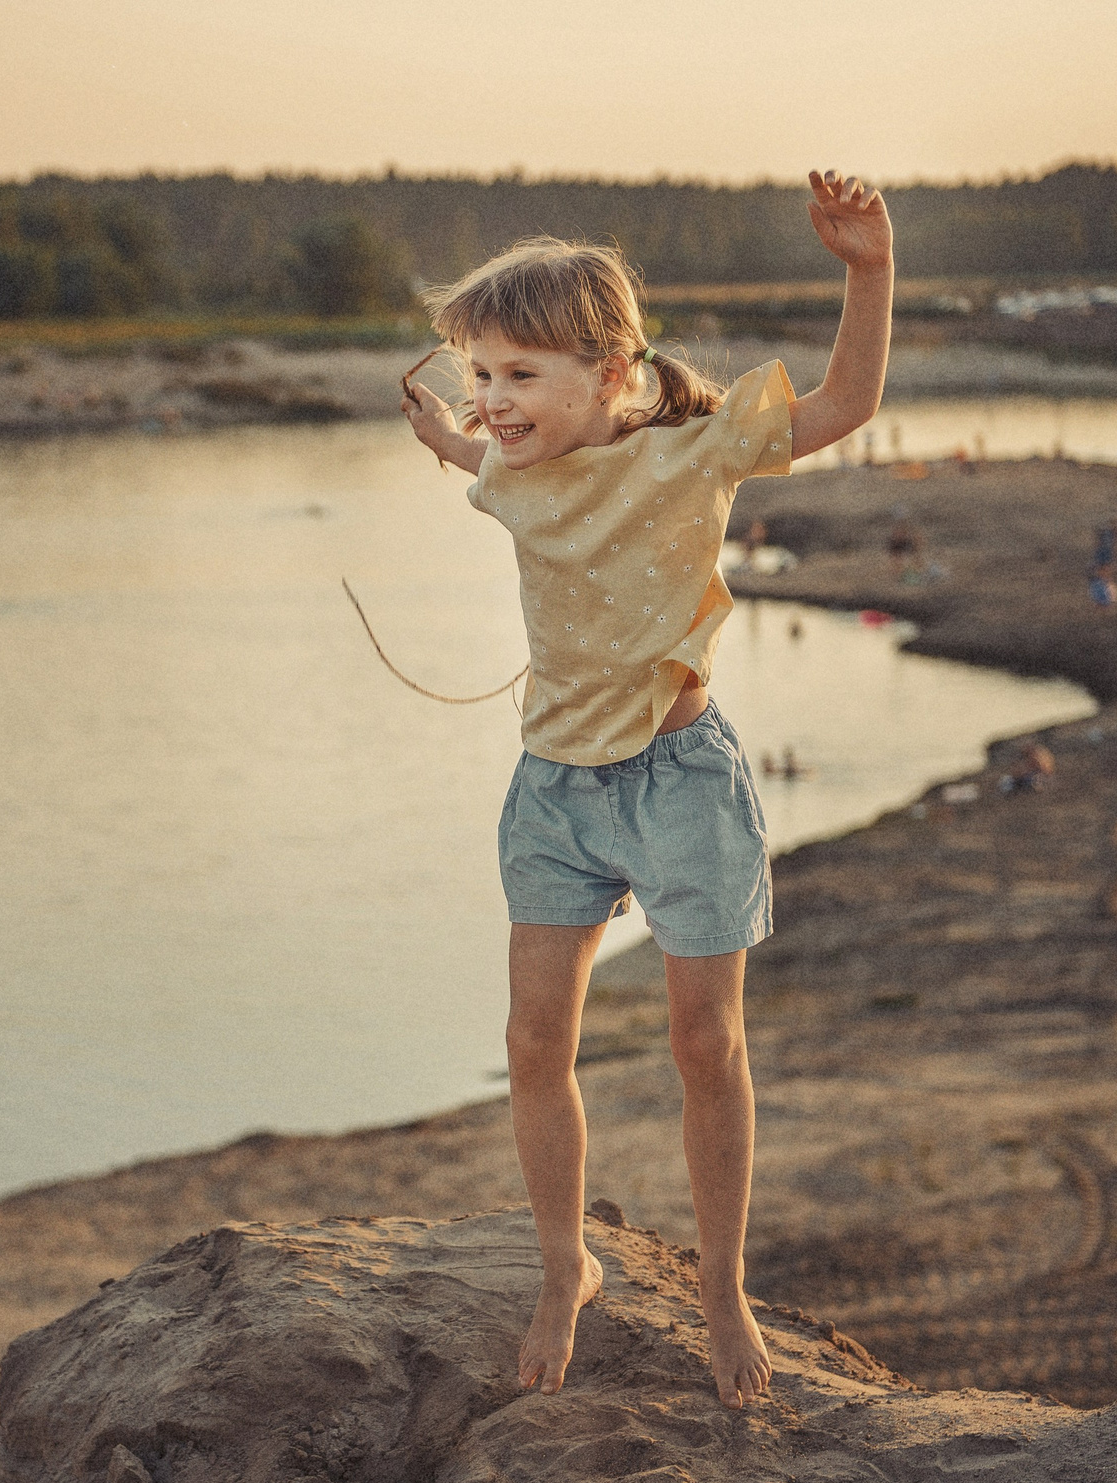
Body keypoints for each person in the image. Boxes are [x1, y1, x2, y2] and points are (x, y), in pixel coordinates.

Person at [400, 170, 894, 1411]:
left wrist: (869, 268)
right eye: (480, 373)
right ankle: (563, 1262)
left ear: (608, 370)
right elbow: (475, 453)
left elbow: (845, 404)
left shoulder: (694, 451)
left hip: (679, 782)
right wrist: (446, 433)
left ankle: (722, 1284)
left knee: (702, 1040)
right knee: (532, 1039)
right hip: (553, 790)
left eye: (519, 373)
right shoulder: (511, 467)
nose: (492, 399)